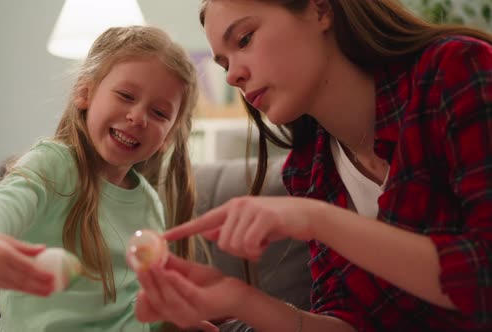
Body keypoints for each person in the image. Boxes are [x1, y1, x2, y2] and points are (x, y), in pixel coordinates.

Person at [132, 1, 492, 331]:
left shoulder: (458, 69)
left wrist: (317, 219)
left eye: (245, 39)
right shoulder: (309, 168)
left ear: (320, 9)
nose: (231, 77)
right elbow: (350, 323)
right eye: (224, 63)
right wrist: (237, 299)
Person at [0, 25, 211, 332]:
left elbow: (138, 311)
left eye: (159, 113)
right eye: (126, 95)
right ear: (84, 93)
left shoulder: (148, 205)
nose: (138, 117)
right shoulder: (52, 165)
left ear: (169, 137)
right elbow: (2, 205)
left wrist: (173, 321)